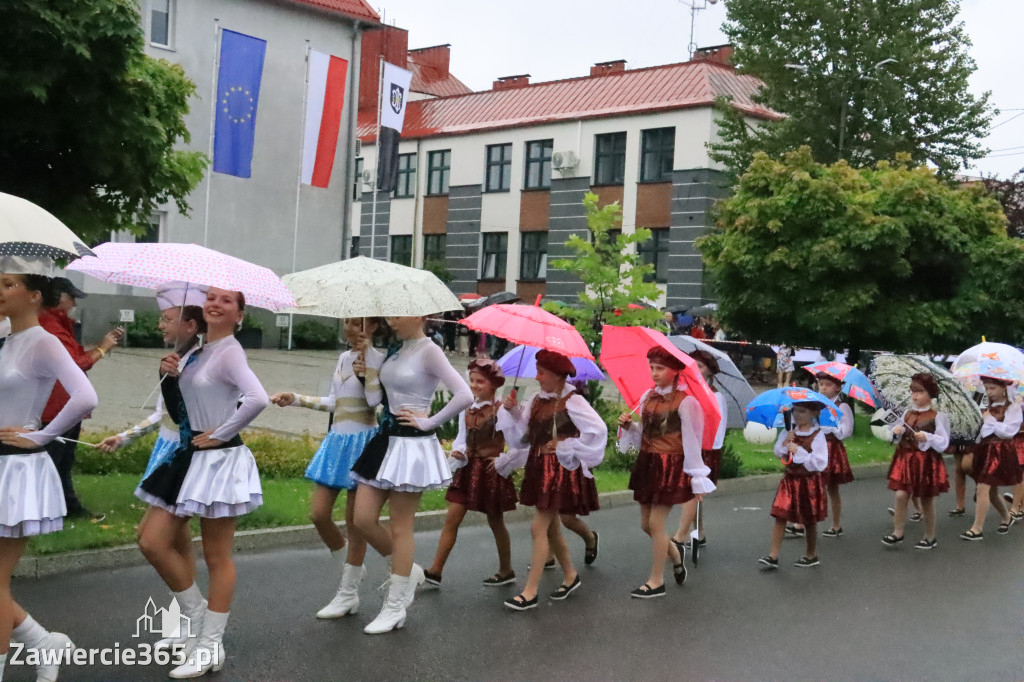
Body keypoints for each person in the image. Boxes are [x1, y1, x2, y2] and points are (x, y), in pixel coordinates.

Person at [135, 287, 268, 678]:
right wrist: (167, 375)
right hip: (190, 456)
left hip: (219, 461)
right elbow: (181, 411)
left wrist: (223, 432)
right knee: (150, 540)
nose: (215, 303)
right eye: (211, 297)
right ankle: (195, 621)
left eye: (227, 301)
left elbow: (256, 398)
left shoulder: (230, 352)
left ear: (239, 314)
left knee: (216, 556)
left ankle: (210, 645)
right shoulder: (197, 351)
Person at [0, 259, 99, 682]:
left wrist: (41, 436)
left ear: (34, 295)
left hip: (17, 470)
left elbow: (84, 396)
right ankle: (42, 643)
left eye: (8, 284)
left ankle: (39, 644)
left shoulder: (43, 341)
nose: (0, 290)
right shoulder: (5, 338)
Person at [349, 315, 472, 634]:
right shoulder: (393, 349)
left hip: (411, 445)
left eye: (396, 314)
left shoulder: (430, 350)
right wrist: (365, 374)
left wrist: (429, 421)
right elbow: (375, 400)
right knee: (362, 519)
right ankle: (409, 572)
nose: (390, 319)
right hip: (384, 440)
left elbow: (465, 395)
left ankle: (395, 605)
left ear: (416, 314)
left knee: (401, 527)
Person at [269, 318, 384, 618]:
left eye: (359, 321)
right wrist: (296, 399)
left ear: (373, 325)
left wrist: (368, 372)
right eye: (347, 320)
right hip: (337, 442)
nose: (350, 326)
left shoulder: (379, 359)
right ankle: (353, 568)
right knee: (318, 514)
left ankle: (348, 593)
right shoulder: (343, 357)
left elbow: (377, 402)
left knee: (355, 523)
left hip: (363, 443)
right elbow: (336, 403)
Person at [98, 283, 207, 595]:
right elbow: (163, 415)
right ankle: (186, 620)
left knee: (153, 542)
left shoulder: (201, 363)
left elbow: (203, 415)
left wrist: (176, 381)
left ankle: (194, 616)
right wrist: (123, 438)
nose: (160, 324)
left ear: (190, 325)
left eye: (167, 319)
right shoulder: (174, 360)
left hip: (187, 457)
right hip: (167, 451)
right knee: (174, 543)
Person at [496, 350, 607, 611]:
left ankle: (530, 591)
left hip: (557, 470)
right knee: (551, 528)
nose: (537, 376)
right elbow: (524, 434)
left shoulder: (572, 401)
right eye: (537, 370)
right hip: (539, 466)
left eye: (542, 372)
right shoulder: (536, 398)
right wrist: (513, 412)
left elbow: (598, 430)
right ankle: (570, 575)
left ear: (558, 376)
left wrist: (568, 444)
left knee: (539, 527)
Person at [618, 347, 713, 597]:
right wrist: (630, 427)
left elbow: (693, 441)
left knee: (655, 523)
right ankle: (676, 556)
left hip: (669, 466)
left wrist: (697, 478)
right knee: (645, 525)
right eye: (652, 367)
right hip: (647, 463)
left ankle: (656, 580)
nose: (654, 372)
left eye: (660, 368)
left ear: (675, 371)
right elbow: (645, 435)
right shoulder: (648, 397)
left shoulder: (686, 402)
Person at [424, 358, 517, 587]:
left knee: (496, 522)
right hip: (467, 472)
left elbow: (518, 442)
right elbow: (461, 440)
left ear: (493, 385)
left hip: (490, 471)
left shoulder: (502, 410)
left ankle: (506, 570)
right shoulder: (466, 408)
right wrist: (460, 453)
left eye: (480, 381)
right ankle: (435, 570)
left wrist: (504, 460)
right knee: (452, 518)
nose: (474, 385)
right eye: (472, 380)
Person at [38, 277, 123, 519]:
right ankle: (55, 510)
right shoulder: (52, 326)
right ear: (58, 298)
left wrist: (99, 347)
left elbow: (75, 357)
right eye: (71, 296)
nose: (74, 301)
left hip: (64, 403)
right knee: (56, 459)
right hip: (58, 405)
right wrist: (103, 347)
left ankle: (65, 507)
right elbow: (76, 364)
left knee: (62, 460)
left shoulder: (59, 324)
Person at [882, 373, 949, 550]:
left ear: (930, 394)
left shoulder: (937, 416)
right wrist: (897, 432)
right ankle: (898, 532)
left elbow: (943, 442)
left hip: (925, 461)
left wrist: (927, 437)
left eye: (919, 392)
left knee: (926, 499)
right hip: (905, 459)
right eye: (912, 391)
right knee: (901, 494)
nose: (914, 395)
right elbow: (898, 436)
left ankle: (930, 536)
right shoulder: (907, 413)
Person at [758, 402, 828, 569]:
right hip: (790, 481)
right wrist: (785, 445)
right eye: (795, 411)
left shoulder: (818, 435)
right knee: (780, 515)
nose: (797, 415)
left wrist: (799, 451)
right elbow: (777, 452)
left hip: (808, 483)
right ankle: (773, 556)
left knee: (809, 519)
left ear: (814, 413)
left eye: (802, 411)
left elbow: (819, 463)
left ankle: (811, 554)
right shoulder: (789, 432)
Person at [672, 349, 727, 552]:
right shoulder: (683, 391)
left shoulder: (716, 396)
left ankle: (680, 536)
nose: (695, 369)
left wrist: (707, 451)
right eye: (692, 365)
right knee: (694, 492)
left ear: (709, 372)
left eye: (700, 366)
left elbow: (718, 427)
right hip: (686, 446)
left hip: (705, 449)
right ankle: (700, 532)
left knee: (692, 492)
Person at [960, 377, 1022, 541]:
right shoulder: (987, 406)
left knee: (983, 487)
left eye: (992, 388)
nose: (989, 392)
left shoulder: (1013, 407)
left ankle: (977, 528)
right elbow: (981, 431)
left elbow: (1009, 431)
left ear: (1003, 388)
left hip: (1001, 451)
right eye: (986, 388)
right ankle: (1007, 517)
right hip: (985, 450)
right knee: (992, 491)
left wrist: (990, 420)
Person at [815, 372, 855, 537]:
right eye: (821, 384)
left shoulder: (841, 406)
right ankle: (802, 523)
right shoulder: (816, 404)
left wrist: (833, 427)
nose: (823, 387)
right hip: (817, 447)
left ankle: (836, 524)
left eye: (828, 384)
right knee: (813, 485)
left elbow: (847, 430)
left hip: (831, 448)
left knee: (831, 487)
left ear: (837, 387)